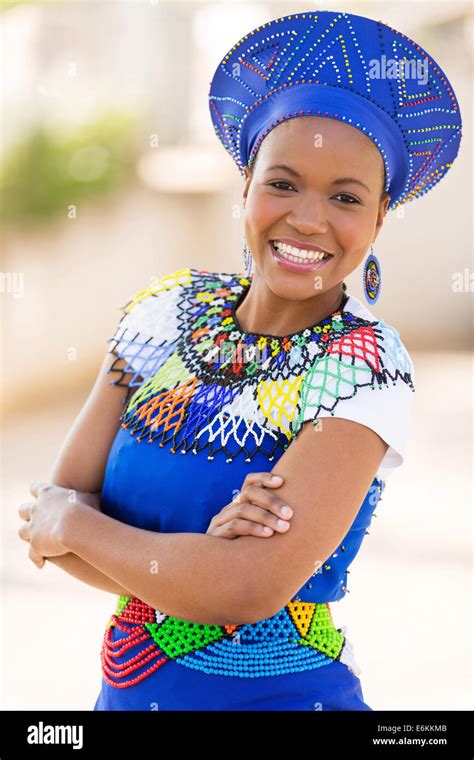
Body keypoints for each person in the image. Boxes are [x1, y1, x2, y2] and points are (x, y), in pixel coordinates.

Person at [18, 10, 462, 711]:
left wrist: (81, 525)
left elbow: (247, 588)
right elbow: (52, 518)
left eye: (345, 197)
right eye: (283, 183)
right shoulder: (162, 317)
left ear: (378, 220)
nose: (309, 219)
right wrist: (199, 560)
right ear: (246, 187)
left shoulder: (366, 366)